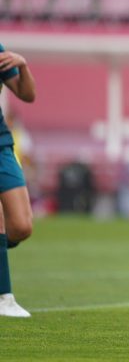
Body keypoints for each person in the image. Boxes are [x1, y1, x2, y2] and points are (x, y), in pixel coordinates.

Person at [0, 44, 37, 317]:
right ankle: (4, 298)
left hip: (1, 143)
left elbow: (27, 94)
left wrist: (22, 65)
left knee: (21, 226)